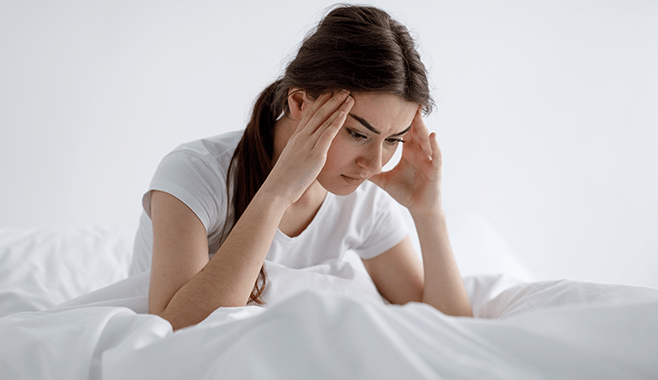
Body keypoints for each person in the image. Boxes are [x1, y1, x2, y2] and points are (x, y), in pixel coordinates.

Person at [129, 4, 473, 330]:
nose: (374, 163)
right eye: (357, 133)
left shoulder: (365, 202)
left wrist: (429, 215)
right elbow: (173, 328)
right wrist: (277, 192)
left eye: (393, 140)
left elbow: (451, 331)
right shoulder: (197, 173)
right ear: (298, 102)